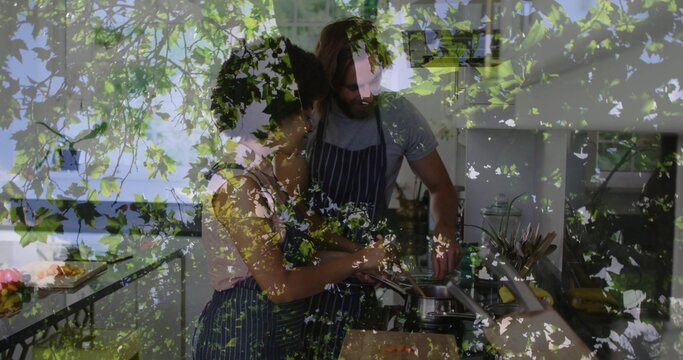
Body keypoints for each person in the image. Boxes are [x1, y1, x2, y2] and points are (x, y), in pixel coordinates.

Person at [193, 37, 387, 360]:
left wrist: (357, 261)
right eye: (304, 113)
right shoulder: (238, 186)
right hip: (238, 343)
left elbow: (296, 251)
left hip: (271, 340)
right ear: (273, 109)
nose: (309, 127)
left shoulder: (264, 175)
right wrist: (357, 260)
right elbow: (280, 286)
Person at [303, 17, 464, 358]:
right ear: (331, 82)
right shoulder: (308, 121)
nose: (366, 95)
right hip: (307, 279)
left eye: (373, 81)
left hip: (367, 281)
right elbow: (298, 217)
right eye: (353, 87)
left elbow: (440, 187)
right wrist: (357, 256)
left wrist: (444, 231)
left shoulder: (397, 115)